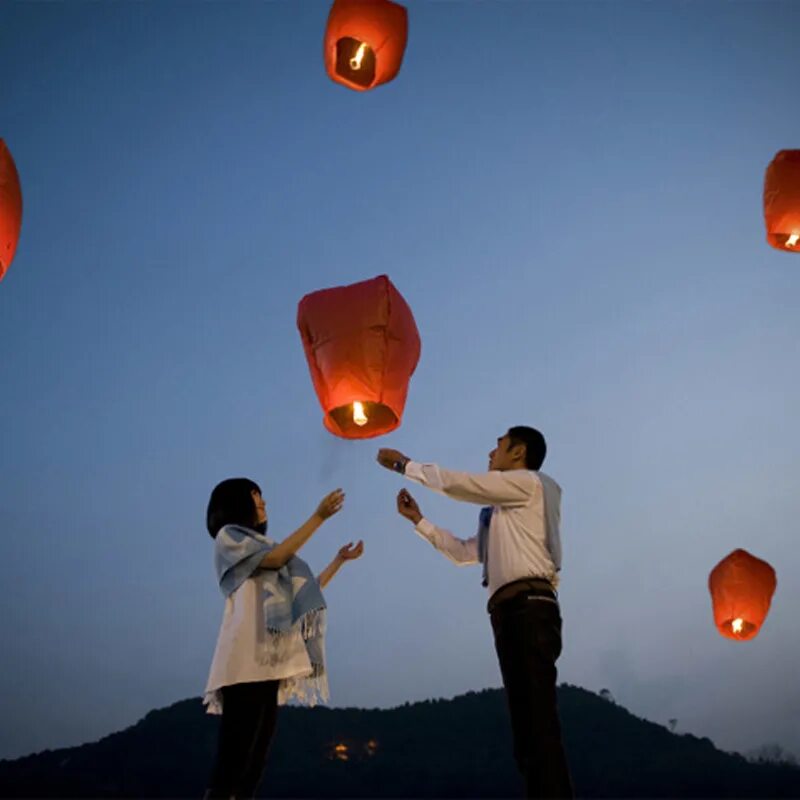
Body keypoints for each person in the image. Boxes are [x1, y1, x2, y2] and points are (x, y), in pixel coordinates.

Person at [377, 427, 573, 799]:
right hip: (510, 613)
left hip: (530, 609)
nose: (490, 452)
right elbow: (466, 553)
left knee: (538, 725)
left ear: (518, 453)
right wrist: (419, 521)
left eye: (498, 445)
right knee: (527, 730)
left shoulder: (528, 484)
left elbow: (462, 485)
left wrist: (406, 466)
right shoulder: (503, 512)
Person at [202, 477, 363, 799]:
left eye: (262, 497)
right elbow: (275, 559)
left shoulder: (269, 552)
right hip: (243, 662)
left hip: (269, 665)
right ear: (235, 502)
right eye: (255, 497)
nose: (262, 503)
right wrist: (318, 517)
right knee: (233, 759)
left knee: (256, 761)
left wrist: (339, 561)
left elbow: (305, 591)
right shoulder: (229, 538)